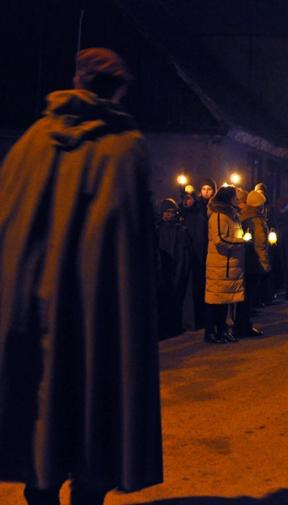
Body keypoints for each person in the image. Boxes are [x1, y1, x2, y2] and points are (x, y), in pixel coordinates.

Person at [0, 47, 162, 505]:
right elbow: (131, 244)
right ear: (118, 90)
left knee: (41, 401)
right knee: (94, 403)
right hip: (98, 312)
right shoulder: (125, 147)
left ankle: (42, 485)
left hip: (34, 310)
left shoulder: (32, 142)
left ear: (77, 81)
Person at [204, 185, 247, 344]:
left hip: (231, 265)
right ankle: (211, 332)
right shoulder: (218, 216)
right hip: (221, 265)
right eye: (235, 197)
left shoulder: (233, 215)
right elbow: (220, 239)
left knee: (225, 301)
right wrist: (240, 241)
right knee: (215, 300)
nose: (237, 200)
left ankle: (222, 330)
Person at [181, 177, 217, 330]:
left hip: (208, 249)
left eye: (209, 189)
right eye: (203, 189)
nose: (206, 192)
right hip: (196, 249)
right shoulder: (196, 206)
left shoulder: (215, 207)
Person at [155, 198, 193, 339]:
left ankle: (175, 325)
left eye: (172, 212)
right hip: (163, 269)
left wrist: (182, 269)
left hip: (177, 267)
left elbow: (184, 253)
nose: (169, 215)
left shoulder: (181, 231)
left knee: (176, 297)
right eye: (167, 212)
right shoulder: (157, 229)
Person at [235, 187, 270, 338]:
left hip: (245, 261)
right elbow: (260, 245)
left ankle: (241, 324)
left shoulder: (243, 216)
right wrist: (264, 264)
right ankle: (243, 326)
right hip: (254, 263)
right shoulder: (255, 220)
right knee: (248, 296)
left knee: (245, 296)